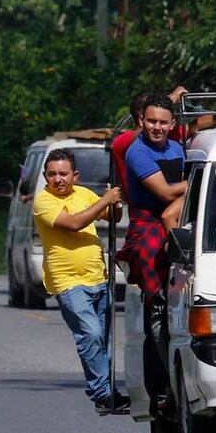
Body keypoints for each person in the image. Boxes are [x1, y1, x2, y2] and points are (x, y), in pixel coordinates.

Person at [32, 149, 127, 414]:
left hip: (98, 276)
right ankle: (100, 393)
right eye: (52, 174)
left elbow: (111, 217)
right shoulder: (43, 202)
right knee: (90, 334)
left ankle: (109, 393)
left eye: (63, 173)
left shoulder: (84, 194)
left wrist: (114, 204)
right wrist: (104, 200)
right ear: (45, 177)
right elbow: (74, 223)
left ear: (75, 175)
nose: (58, 179)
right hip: (67, 282)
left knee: (104, 339)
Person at [119, 94, 188, 408]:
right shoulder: (137, 152)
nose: (157, 127)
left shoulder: (179, 148)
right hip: (147, 226)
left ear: (172, 124)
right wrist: (202, 176)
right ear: (141, 122)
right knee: (158, 306)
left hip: (182, 220)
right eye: (151, 122)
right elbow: (165, 192)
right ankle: (165, 385)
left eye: (163, 122)